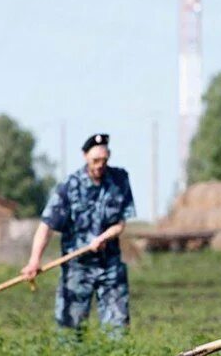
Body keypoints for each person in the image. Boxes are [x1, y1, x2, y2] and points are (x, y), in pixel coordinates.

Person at [22, 133, 136, 335]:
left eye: (104, 160)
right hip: (77, 267)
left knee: (117, 331)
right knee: (69, 332)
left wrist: (103, 238)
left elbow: (120, 224)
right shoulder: (69, 186)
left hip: (110, 266)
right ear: (85, 156)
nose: (100, 165)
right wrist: (34, 261)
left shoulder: (119, 180)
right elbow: (46, 225)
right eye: (95, 160)